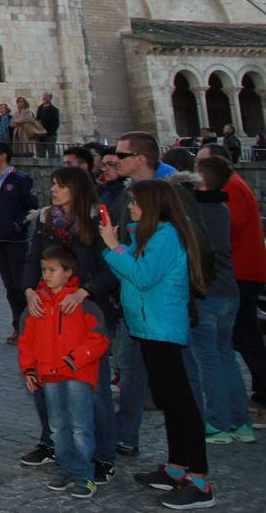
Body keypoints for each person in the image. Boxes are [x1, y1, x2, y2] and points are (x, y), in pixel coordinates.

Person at [100, 178, 217, 509]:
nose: (131, 206)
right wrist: (124, 245)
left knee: (182, 404)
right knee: (169, 401)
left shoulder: (167, 237)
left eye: (136, 201)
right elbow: (133, 275)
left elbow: (142, 276)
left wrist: (113, 245)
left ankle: (199, 479)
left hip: (162, 328)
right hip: (148, 328)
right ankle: (177, 467)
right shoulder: (150, 236)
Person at [18, 167, 119, 480]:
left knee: (95, 390)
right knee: (45, 383)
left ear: (76, 188)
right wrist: (30, 289)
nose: (54, 190)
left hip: (84, 313)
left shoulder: (94, 220)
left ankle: (102, 455)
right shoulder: (48, 220)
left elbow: (110, 266)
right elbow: (33, 259)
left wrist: (85, 292)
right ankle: (54, 443)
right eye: (53, 184)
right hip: (47, 311)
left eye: (60, 185)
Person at [17, 246, 110, 498]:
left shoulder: (83, 305)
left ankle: (84, 473)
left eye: (52, 270)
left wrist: (74, 359)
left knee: (80, 426)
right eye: (43, 270)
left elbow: (99, 339)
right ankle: (66, 466)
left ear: (68, 273)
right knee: (57, 426)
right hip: (48, 375)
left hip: (77, 374)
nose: (46, 275)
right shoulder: (37, 305)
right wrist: (28, 369)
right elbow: (26, 340)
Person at [187, 157, 253, 442]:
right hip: (229, 290)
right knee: (226, 356)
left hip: (209, 292)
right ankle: (241, 422)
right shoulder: (222, 208)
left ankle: (218, 422)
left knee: (209, 359)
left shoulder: (198, 211)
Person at [0, 143, 39, 344]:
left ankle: (29, 326)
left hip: (16, 241)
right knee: (9, 287)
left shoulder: (20, 180)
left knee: (20, 285)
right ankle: (18, 325)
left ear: (3, 155)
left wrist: (18, 226)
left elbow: (32, 208)